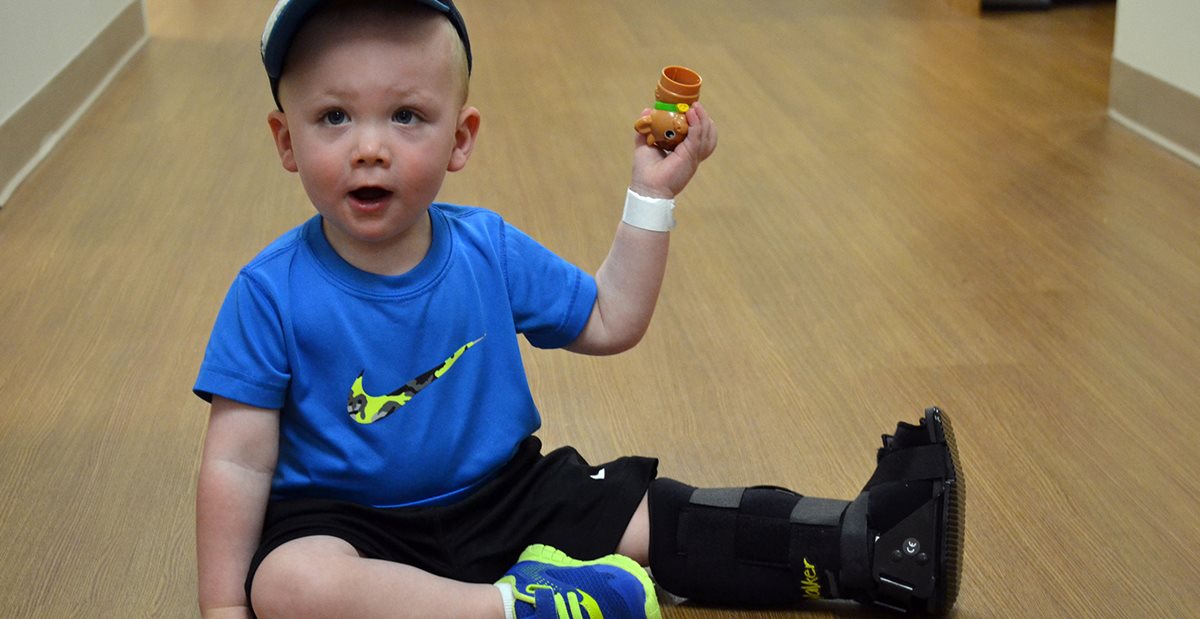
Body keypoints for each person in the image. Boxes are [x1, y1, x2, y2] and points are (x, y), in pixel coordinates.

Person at [193, 1, 964, 618]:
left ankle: (869, 543)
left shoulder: (488, 248)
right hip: (347, 524)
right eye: (334, 117)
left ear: (460, 137)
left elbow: (608, 318)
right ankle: (511, 608)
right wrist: (225, 605)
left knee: (661, 516)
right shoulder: (268, 292)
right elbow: (236, 460)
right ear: (285, 140)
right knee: (289, 583)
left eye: (406, 116)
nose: (370, 147)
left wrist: (651, 195)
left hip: (507, 497)